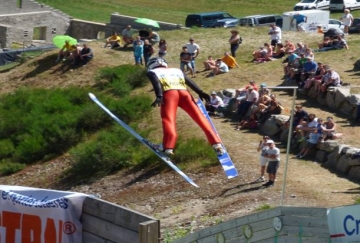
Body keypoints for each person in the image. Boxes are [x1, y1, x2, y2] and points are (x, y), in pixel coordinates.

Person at [145, 57, 224, 156]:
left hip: (169, 94)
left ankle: (167, 147)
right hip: (184, 93)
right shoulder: (177, 70)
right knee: (200, 117)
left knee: (168, 119)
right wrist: (201, 92)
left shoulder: (152, 72)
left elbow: (156, 82)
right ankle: (216, 143)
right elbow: (189, 81)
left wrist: (159, 96)